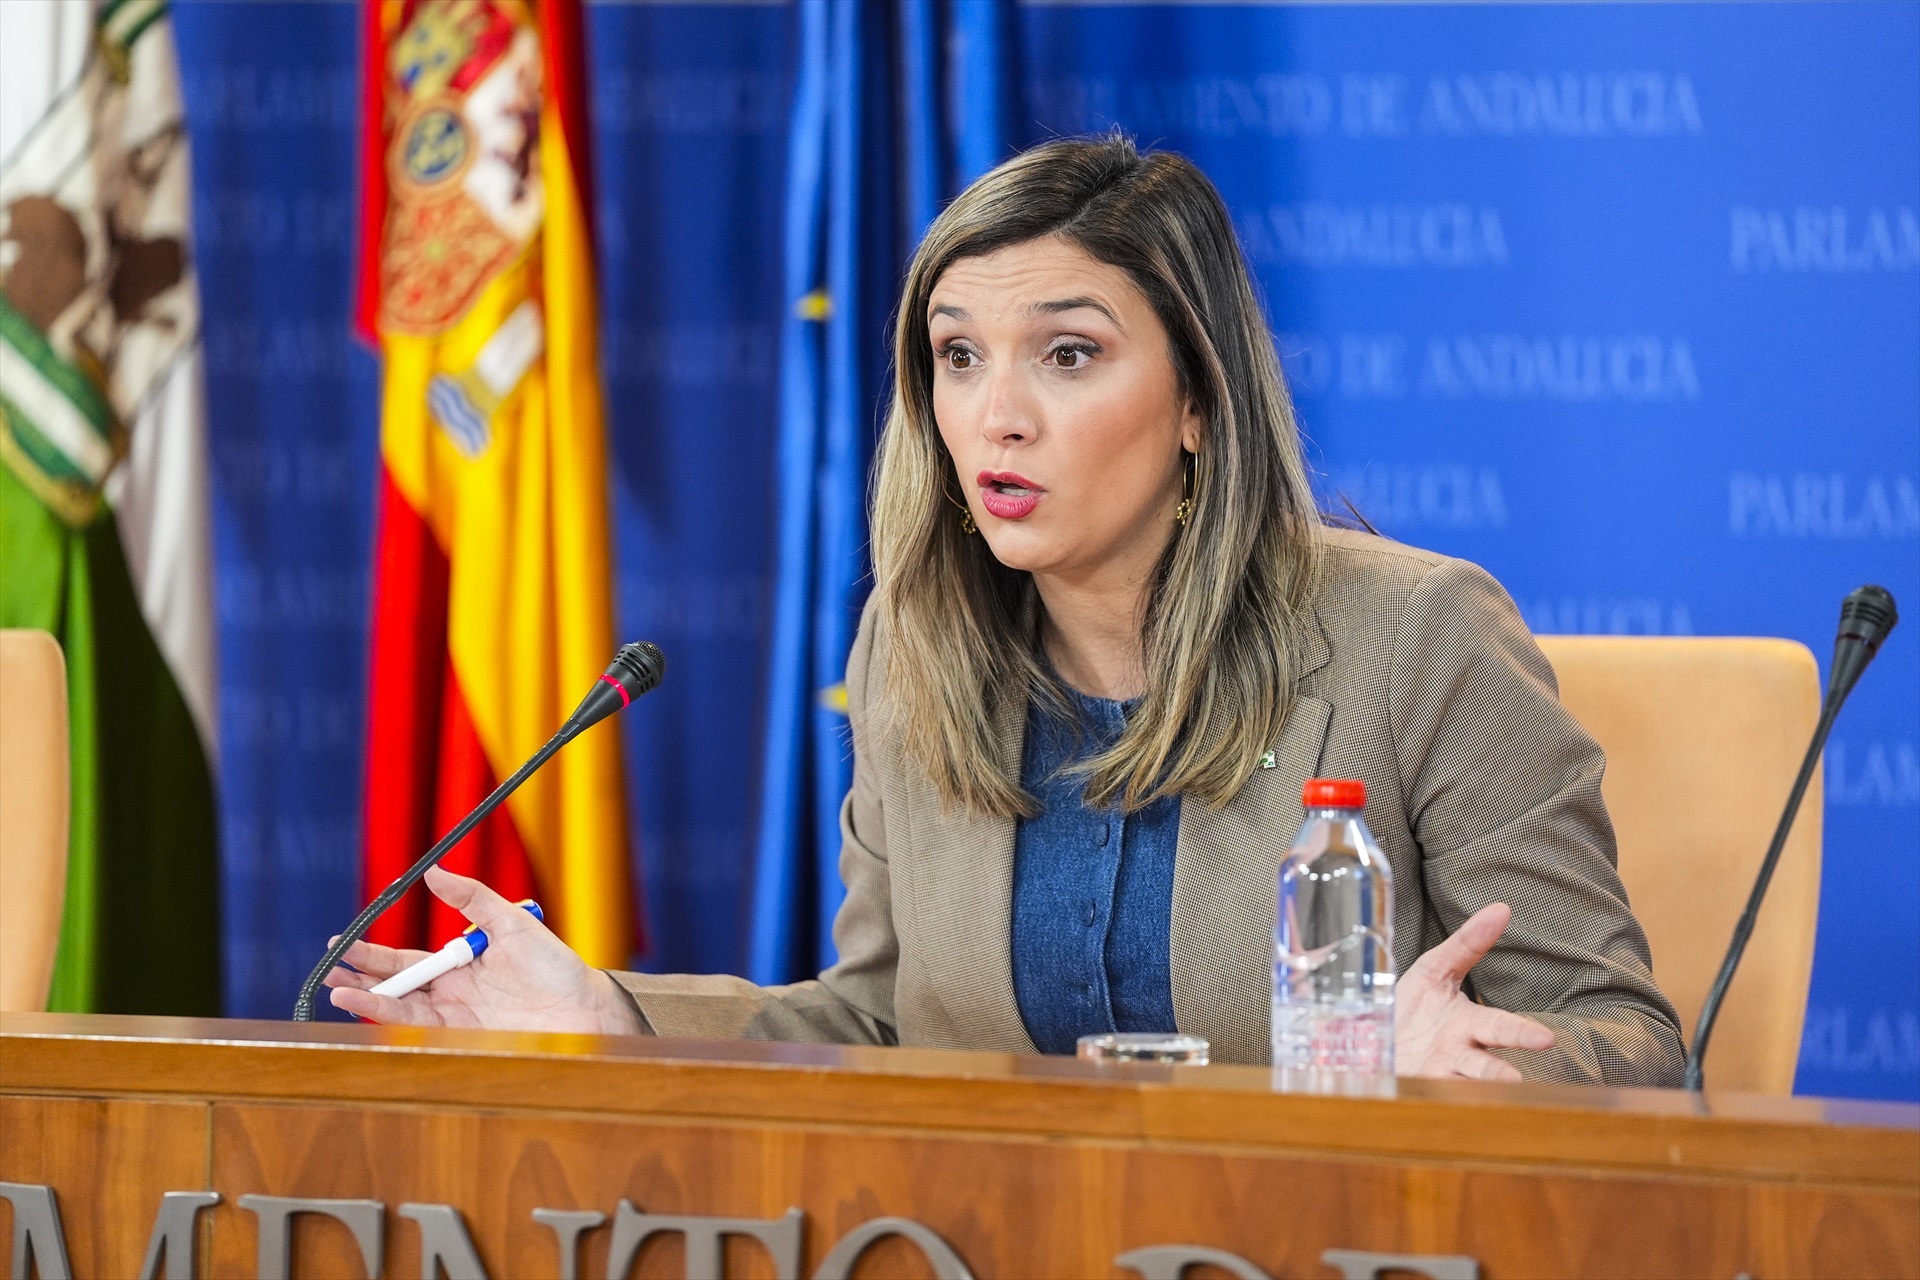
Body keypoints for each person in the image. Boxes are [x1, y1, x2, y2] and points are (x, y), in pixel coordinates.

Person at [328, 135, 1684, 1086]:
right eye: (959, 356)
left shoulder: (1419, 638)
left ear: (1201, 399)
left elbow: (1631, 1045)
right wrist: (610, 1013)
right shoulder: (917, 656)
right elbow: (882, 1022)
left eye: (1069, 353)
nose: (998, 414)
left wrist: (1484, 1072)